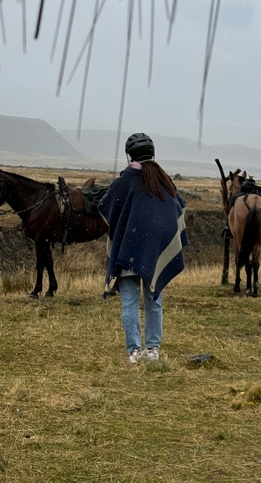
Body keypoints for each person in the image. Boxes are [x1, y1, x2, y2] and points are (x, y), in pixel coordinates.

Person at [98, 133, 188, 364]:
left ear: (129, 155)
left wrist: (124, 228)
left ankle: (134, 352)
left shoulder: (123, 182)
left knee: (129, 303)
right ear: (152, 153)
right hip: (153, 255)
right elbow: (177, 210)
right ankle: (153, 351)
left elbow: (104, 207)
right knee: (154, 301)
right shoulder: (164, 182)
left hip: (126, 253)